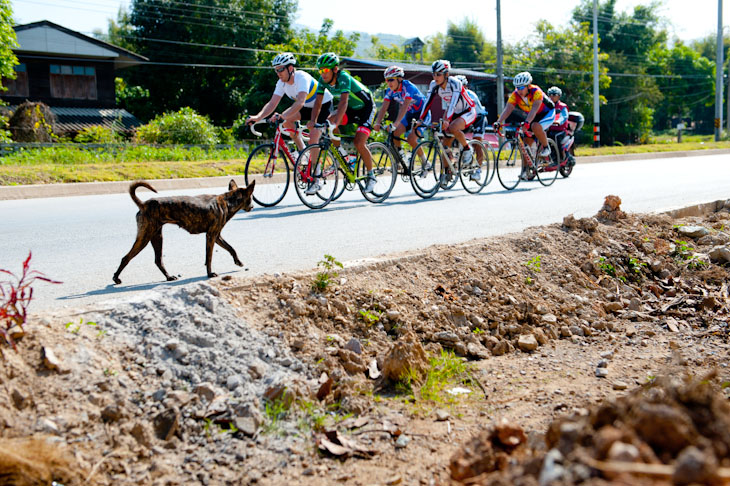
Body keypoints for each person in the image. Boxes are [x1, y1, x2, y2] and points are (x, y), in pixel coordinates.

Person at [311, 52, 377, 194]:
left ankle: (371, 176)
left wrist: (336, 123)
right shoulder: (322, 81)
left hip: (366, 108)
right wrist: (313, 121)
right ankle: (342, 154)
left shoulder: (344, 77)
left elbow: (343, 102)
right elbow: (318, 102)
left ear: (335, 69)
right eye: (320, 70)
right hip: (351, 110)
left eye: (326, 70)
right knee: (328, 122)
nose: (323, 74)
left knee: (359, 143)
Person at [246, 52, 333, 162]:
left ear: (290, 68)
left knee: (313, 137)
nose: (278, 73)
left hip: (322, 105)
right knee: (286, 122)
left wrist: (283, 115)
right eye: (276, 70)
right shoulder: (281, 83)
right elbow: (272, 103)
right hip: (307, 106)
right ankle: (304, 153)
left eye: (281, 69)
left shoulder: (301, 77)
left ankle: (316, 172)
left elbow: (300, 102)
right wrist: (257, 117)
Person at [419, 60, 477, 183]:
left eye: (438, 74)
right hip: (454, 113)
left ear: (446, 74)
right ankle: (447, 172)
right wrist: (420, 119)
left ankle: (467, 149)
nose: (435, 77)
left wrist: (447, 119)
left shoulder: (455, 83)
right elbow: (427, 102)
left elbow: (454, 102)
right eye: (433, 74)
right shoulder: (433, 85)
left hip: (468, 111)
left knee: (453, 127)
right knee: (445, 144)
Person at [373, 65, 430, 164]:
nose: (388, 83)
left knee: (411, 139)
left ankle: (425, 161)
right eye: (387, 80)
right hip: (409, 114)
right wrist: (377, 122)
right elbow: (384, 107)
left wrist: (396, 123)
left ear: (399, 79)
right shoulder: (390, 91)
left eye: (391, 80)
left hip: (422, 115)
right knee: (395, 133)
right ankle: (402, 158)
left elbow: (404, 106)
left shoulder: (409, 87)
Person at [493, 71, 555, 160]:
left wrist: (527, 122)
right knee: (525, 140)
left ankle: (546, 147)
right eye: (517, 88)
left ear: (528, 86)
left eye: (522, 87)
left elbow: (534, 109)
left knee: (535, 126)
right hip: (532, 115)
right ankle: (527, 169)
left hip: (547, 113)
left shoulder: (536, 91)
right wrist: (498, 122)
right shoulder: (515, 94)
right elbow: (508, 109)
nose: (519, 90)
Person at [454, 75, 488, 181]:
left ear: (465, 86)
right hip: (466, 118)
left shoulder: (469, 94)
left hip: (479, 118)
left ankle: (478, 171)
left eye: (461, 87)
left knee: (477, 143)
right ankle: (464, 155)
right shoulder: (454, 96)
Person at [546, 86, 574, 166]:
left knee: (554, 138)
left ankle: (557, 159)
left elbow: (564, 116)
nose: (551, 96)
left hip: (560, 131)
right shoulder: (547, 106)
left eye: (554, 95)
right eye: (550, 94)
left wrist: (558, 121)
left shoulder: (562, 106)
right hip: (548, 129)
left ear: (558, 96)